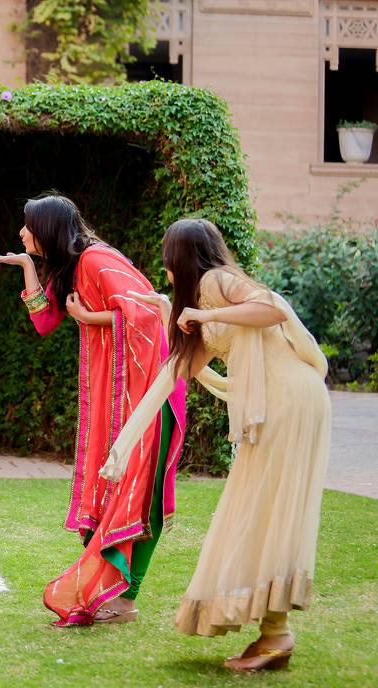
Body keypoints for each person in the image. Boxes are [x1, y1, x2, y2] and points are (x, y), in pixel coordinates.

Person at [103, 218, 330, 671]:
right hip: (290, 402)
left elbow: (272, 308)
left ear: (182, 258)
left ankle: (276, 634)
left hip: (287, 400)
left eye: (168, 260)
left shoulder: (215, 281)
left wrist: (206, 315)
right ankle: (274, 633)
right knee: (265, 512)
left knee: (261, 510)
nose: (167, 271)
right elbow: (175, 372)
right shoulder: (206, 297)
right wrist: (122, 447)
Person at [0, 194, 186, 625]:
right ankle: (115, 593)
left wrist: (90, 319)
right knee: (118, 489)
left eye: (28, 226)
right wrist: (27, 267)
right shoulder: (69, 270)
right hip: (117, 397)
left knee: (141, 493)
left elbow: (149, 314)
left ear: (48, 229)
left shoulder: (96, 259)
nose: (22, 233)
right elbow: (45, 321)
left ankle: (127, 599)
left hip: (150, 393)